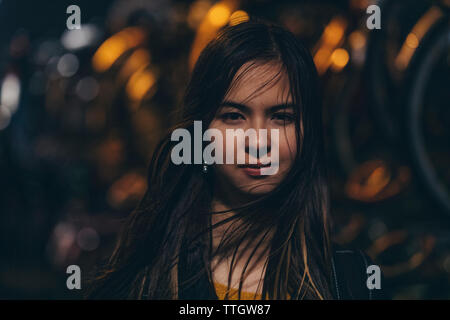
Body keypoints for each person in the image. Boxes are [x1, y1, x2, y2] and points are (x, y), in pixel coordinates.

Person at [87, 19, 386, 300]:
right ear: (201, 131)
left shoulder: (349, 279)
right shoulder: (143, 282)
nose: (257, 141)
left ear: (307, 132)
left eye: (281, 117)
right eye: (233, 117)